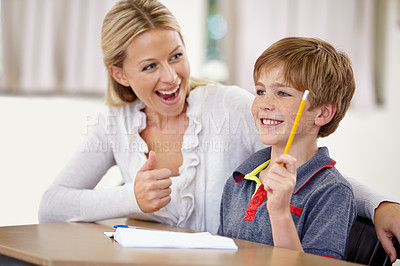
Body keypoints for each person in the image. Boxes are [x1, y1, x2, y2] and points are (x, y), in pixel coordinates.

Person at [38, 0, 400, 262]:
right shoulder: (114, 124)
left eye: (176, 56)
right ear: (120, 74)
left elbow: (303, 167)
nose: (170, 77)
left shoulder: (224, 107)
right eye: (150, 66)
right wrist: (130, 198)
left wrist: (377, 204)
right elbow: (52, 205)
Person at [218, 37, 356, 259]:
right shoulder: (239, 181)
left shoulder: (332, 192)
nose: (264, 104)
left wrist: (280, 213)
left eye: (283, 93)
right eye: (261, 91)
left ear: (322, 113)